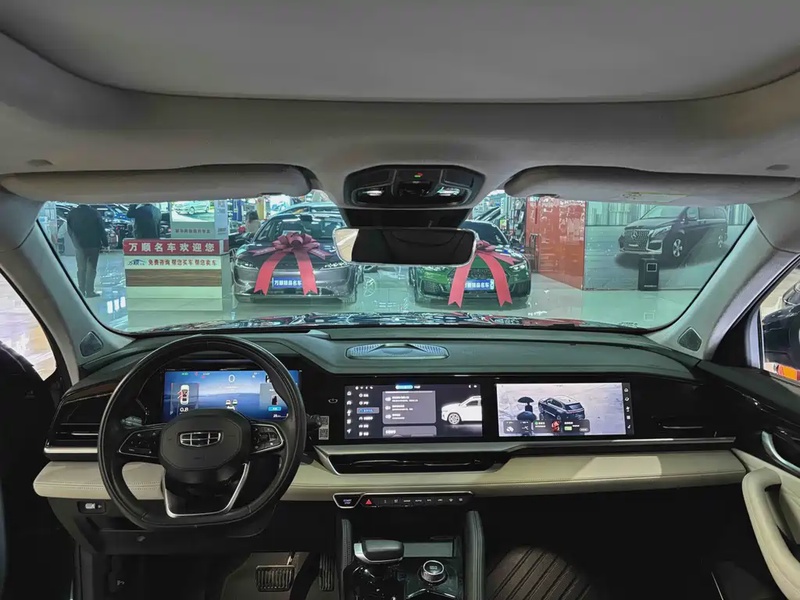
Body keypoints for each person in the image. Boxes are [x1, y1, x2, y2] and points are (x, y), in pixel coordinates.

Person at [65, 205, 108, 298]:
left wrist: (74, 241)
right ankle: (89, 291)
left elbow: (69, 230)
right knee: (91, 269)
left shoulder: (72, 213)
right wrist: (105, 243)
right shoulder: (94, 213)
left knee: (81, 269)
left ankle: (81, 291)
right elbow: (101, 229)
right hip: (93, 245)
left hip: (79, 245)